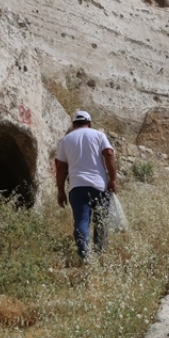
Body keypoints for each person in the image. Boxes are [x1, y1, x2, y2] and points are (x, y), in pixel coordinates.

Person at [54, 110, 117, 260]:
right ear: (89, 123)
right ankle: (100, 253)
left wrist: (60, 191)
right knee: (100, 221)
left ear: (73, 124)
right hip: (99, 186)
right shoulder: (98, 135)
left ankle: (85, 256)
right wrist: (113, 179)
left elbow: (60, 167)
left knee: (81, 221)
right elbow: (108, 153)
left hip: (76, 187)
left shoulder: (65, 140)